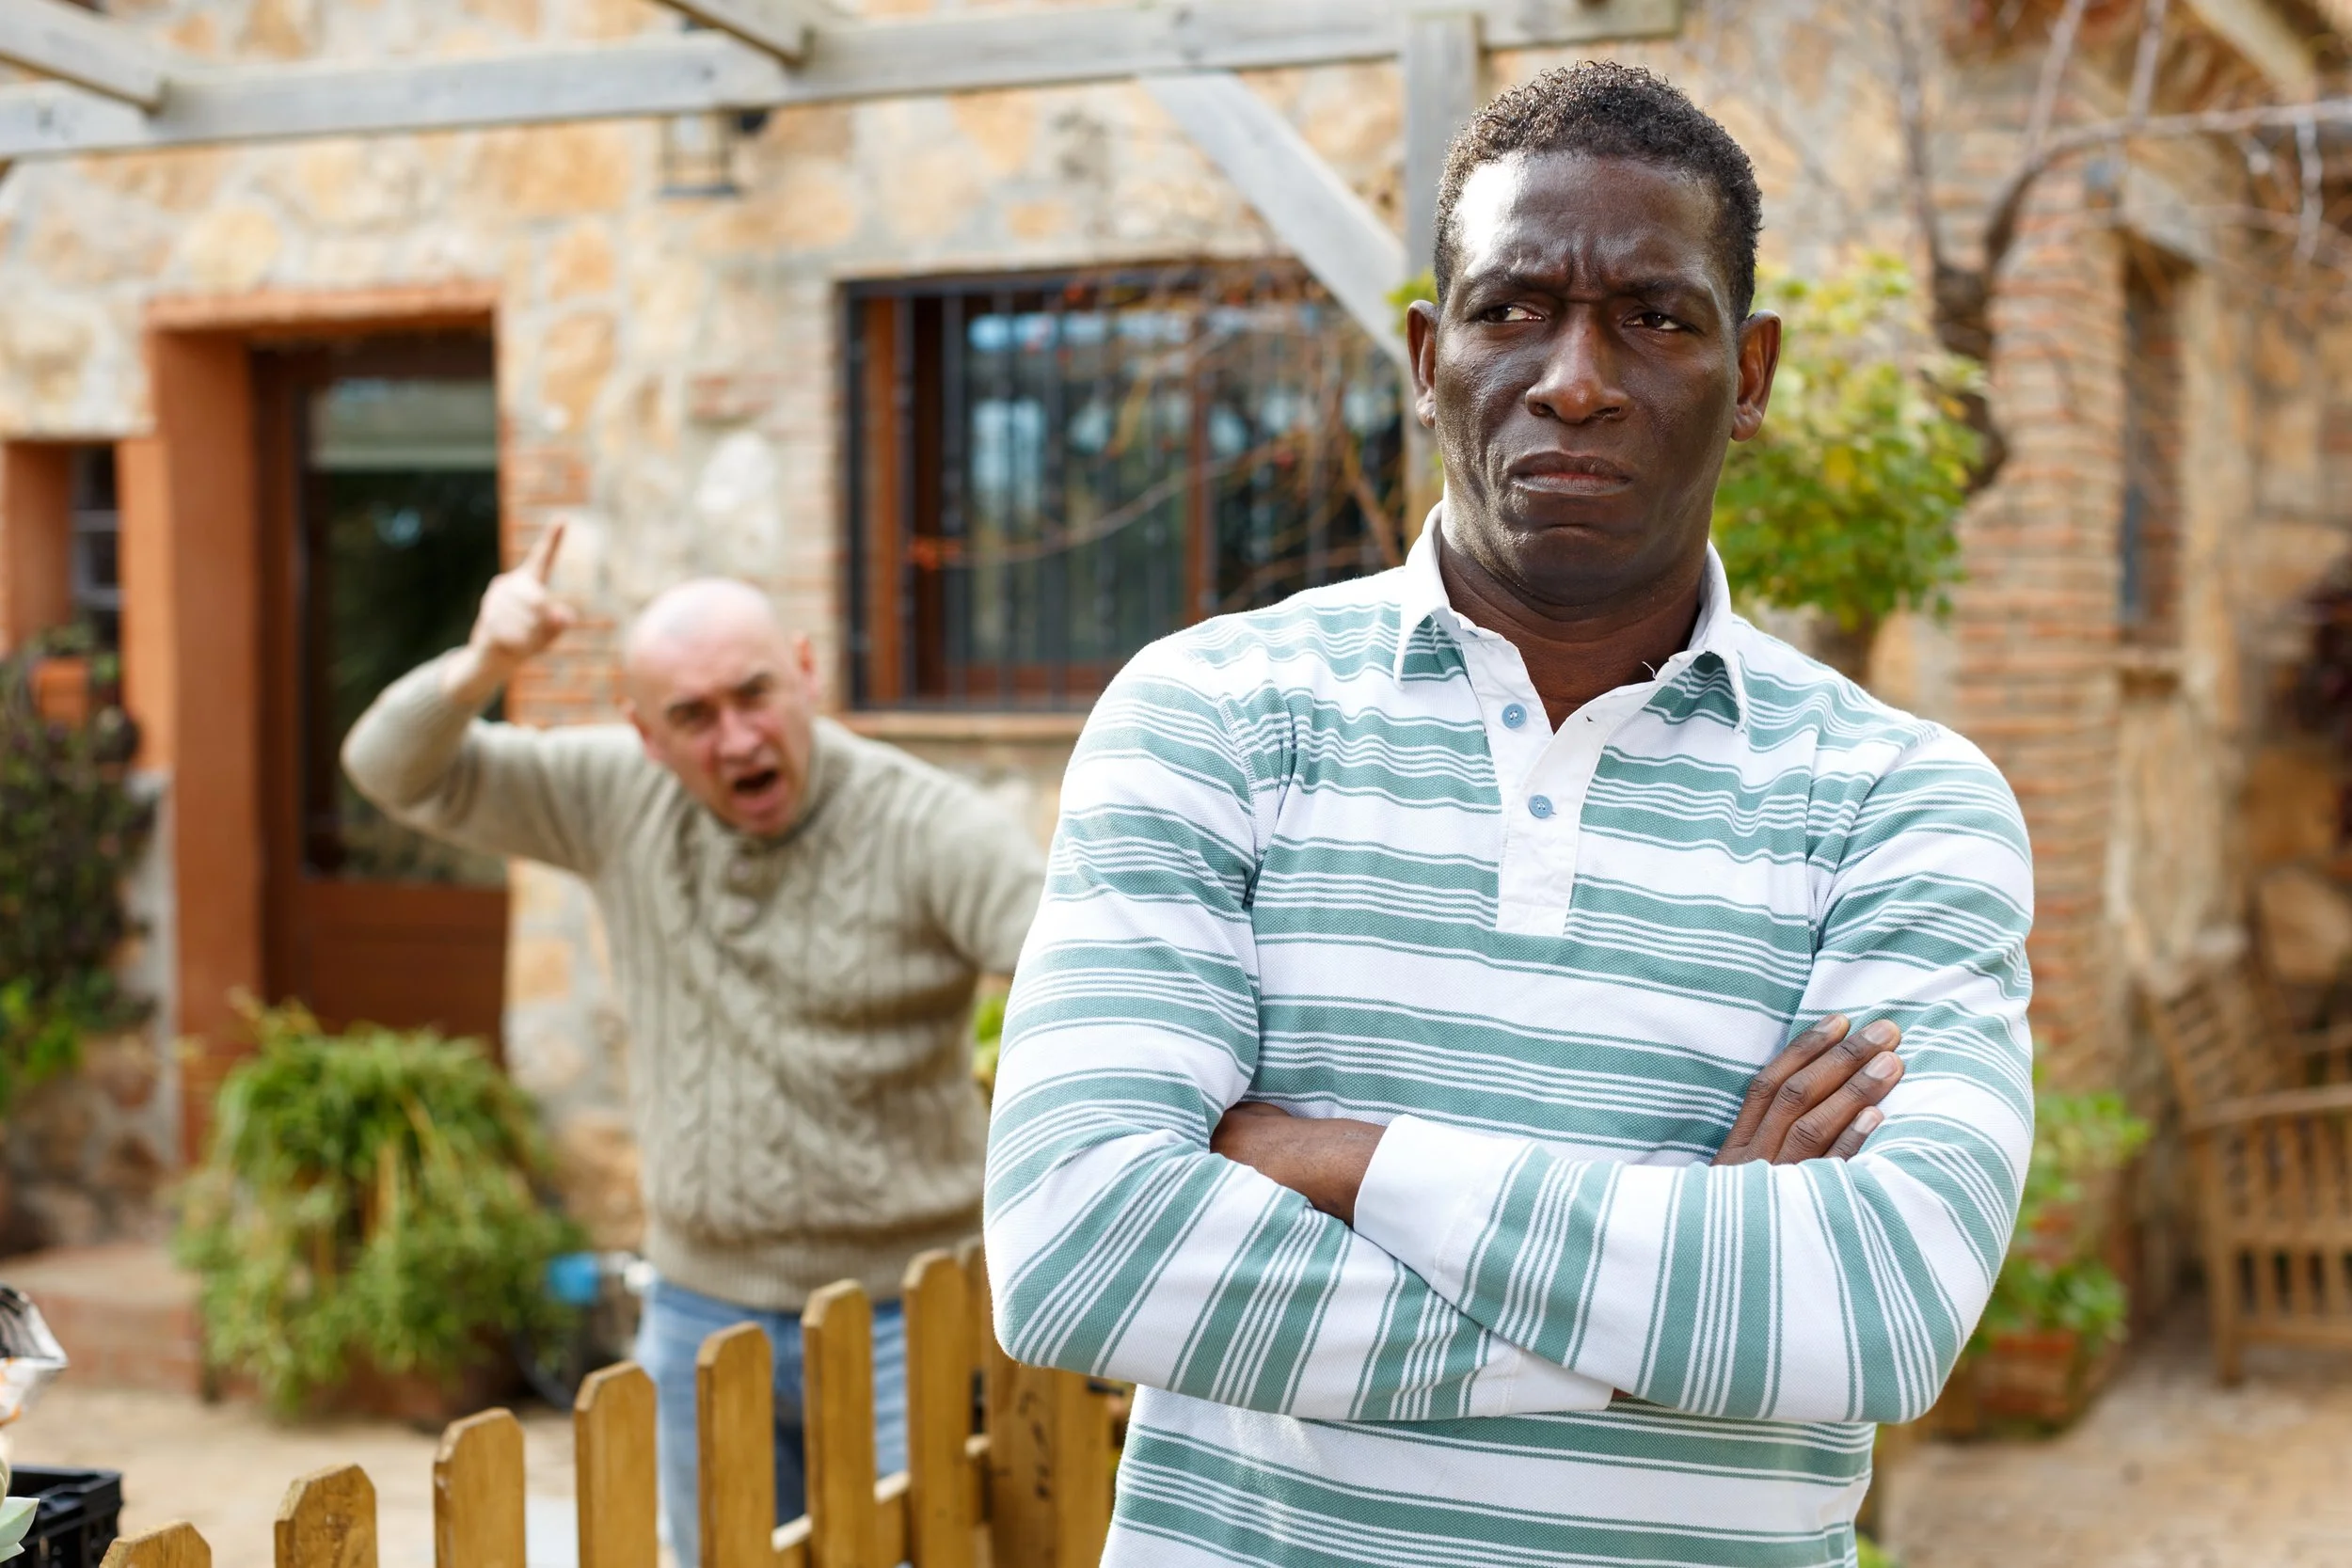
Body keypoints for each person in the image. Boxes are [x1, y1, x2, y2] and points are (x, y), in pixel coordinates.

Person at [983, 61, 2031, 1567]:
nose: (1577, 377)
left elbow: (1875, 1308)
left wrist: (1337, 1157)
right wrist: (1687, 1300)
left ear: (1751, 378)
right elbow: (1081, 1251)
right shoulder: (1215, 716)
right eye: (1513, 307)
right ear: (1426, 356)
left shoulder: (1899, 803)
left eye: (1655, 316)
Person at [342, 531, 1042, 1566]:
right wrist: (484, 661)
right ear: (645, 733)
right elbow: (391, 767)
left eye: (755, 694)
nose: (736, 737)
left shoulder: (927, 823)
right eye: (693, 717)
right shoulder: (616, 798)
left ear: (806, 671)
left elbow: (1082, 974)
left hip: (909, 1314)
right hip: (699, 1315)